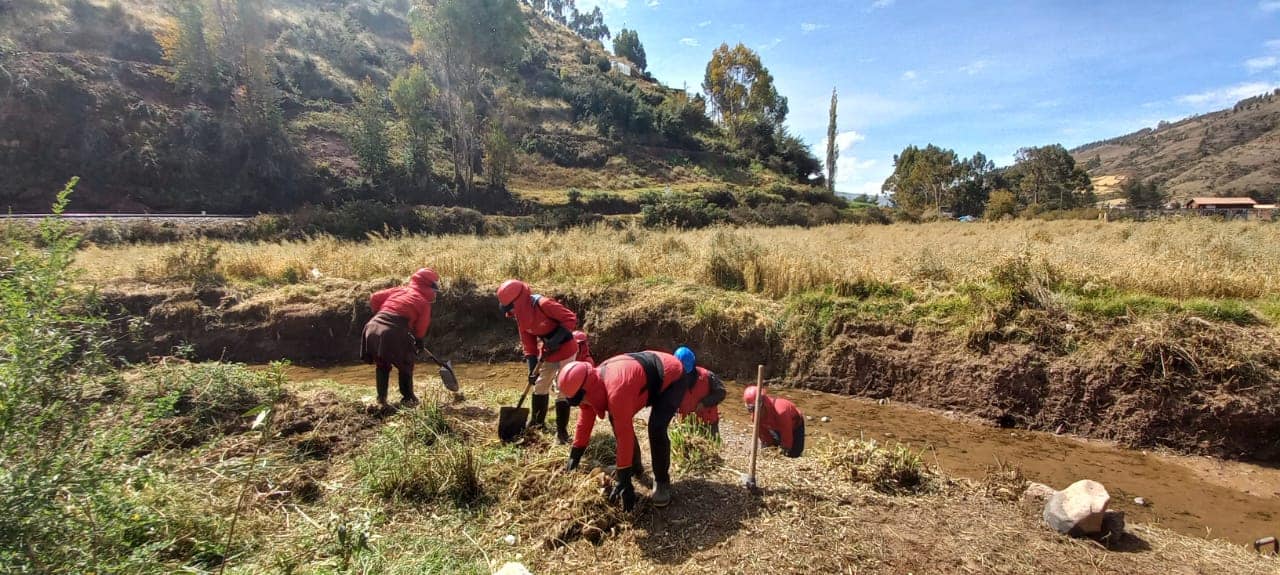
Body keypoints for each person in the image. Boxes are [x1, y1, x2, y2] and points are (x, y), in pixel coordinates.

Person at [558, 349, 693, 510]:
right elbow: (585, 420)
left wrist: (624, 481)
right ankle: (635, 467)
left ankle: (662, 481)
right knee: (615, 419)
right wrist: (575, 454)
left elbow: (625, 436)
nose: (581, 404)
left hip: (671, 377)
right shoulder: (592, 385)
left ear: (587, 390)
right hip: (645, 378)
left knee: (656, 428)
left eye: (580, 399)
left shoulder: (616, 391)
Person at [496, 279, 579, 444]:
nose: (511, 312)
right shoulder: (520, 316)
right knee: (540, 385)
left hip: (565, 348)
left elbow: (570, 319)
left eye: (512, 307)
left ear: (519, 301)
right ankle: (537, 423)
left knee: (563, 388)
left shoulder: (544, 304)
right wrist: (532, 367)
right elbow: (528, 341)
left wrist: (556, 339)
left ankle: (561, 432)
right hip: (547, 352)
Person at [361, 268, 438, 408]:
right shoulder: (423, 303)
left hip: (373, 327)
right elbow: (422, 326)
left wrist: (381, 314)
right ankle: (408, 397)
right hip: (392, 332)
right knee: (406, 363)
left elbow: (375, 298)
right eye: (434, 286)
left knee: (382, 364)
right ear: (428, 286)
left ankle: (381, 399)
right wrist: (419, 340)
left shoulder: (400, 290)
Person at [673, 347, 727, 437]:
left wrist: (704, 403)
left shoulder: (707, 376)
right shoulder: (673, 379)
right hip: (684, 424)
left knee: (711, 449)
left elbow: (721, 392)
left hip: (708, 424)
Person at [743, 385, 805, 458]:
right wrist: (769, 448)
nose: (755, 412)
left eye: (755, 408)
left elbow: (787, 436)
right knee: (768, 450)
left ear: (762, 403)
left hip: (794, 425)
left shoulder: (781, 412)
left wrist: (783, 451)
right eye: (751, 409)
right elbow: (764, 436)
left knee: (793, 453)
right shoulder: (755, 418)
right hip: (775, 425)